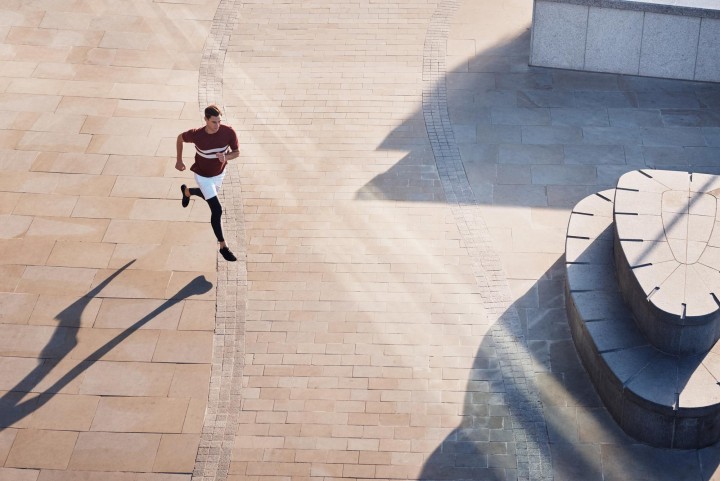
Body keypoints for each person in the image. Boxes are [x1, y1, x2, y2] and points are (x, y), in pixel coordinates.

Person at [176, 104, 239, 262]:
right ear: (205, 120)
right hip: (202, 176)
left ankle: (188, 192)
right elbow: (179, 138)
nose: (217, 125)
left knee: (209, 198)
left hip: (219, 174)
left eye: (219, 121)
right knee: (216, 209)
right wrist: (179, 160)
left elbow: (236, 152)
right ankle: (223, 246)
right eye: (214, 122)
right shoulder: (196, 135)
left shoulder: (228, 132)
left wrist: (226, 157)